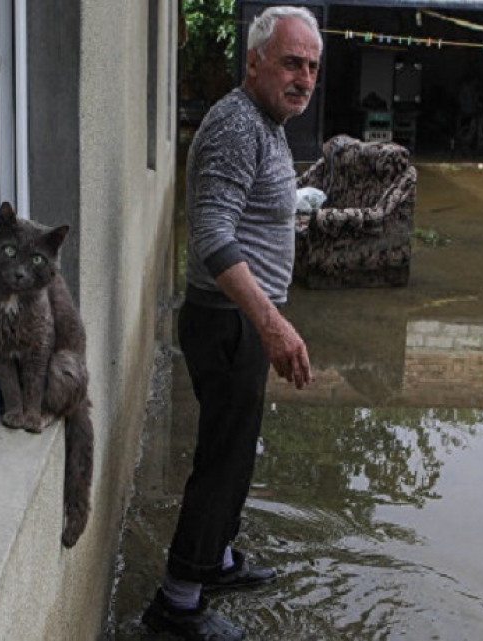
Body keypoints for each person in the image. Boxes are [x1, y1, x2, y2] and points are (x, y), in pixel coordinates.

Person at [141, 6, 321, 640]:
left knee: (238, 453)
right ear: (254, 62)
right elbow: (213, 236)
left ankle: (213, 559)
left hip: (242, 322)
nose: (304, 77)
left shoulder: (268, 125)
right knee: (221, 461)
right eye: (292, 62)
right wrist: (271, 325)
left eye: (313, 67)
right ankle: (177, 603)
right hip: (230, 323)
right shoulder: (235, 125)